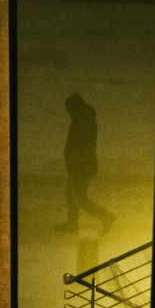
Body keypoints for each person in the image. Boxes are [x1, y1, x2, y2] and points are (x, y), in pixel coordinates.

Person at [55, 93, 114, 235]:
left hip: (81, 166)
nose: (68, 113)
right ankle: (72, 224)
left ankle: (105, 217)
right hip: (81, 165)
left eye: (69, 109)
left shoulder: (82, 121)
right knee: (72, 194)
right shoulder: (82, 119)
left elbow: (79, 146)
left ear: (74, 108)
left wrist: (73, 163)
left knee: (78, 197)